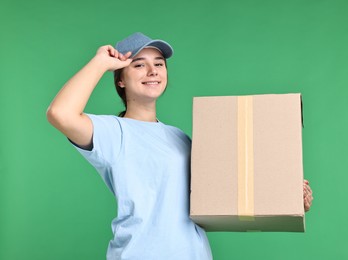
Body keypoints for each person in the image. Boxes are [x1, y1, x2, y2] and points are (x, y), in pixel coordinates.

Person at [47, 32, 313, 260]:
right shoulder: (114, 133)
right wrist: (99, 63)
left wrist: (286, 195)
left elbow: (223, 193)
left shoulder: (180, 138)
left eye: (159, 64)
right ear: (120, 79)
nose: (152, 71)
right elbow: (60, 113)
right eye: (139, 65)